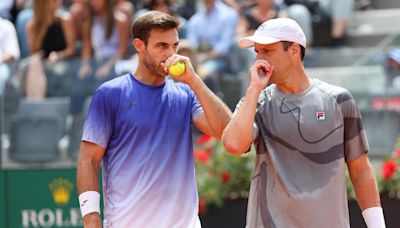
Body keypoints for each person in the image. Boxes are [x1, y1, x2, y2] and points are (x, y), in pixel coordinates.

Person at [221, 18, 386, 227]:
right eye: (257, 52)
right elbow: (234, 144)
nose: (259, 60)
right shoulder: (256, 101)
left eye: (267, 51)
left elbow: (360, 169)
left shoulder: (339, 100)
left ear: (294, 51)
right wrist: (253, 90)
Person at [76, 10, 232, 227]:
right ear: (139, 45)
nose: (171, 53)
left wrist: (194, 80)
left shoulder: (186, 94)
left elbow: (226, 133)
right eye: (162, 46)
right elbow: (88, 160)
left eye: (175, 46)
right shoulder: (109, 94)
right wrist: (91, 218)